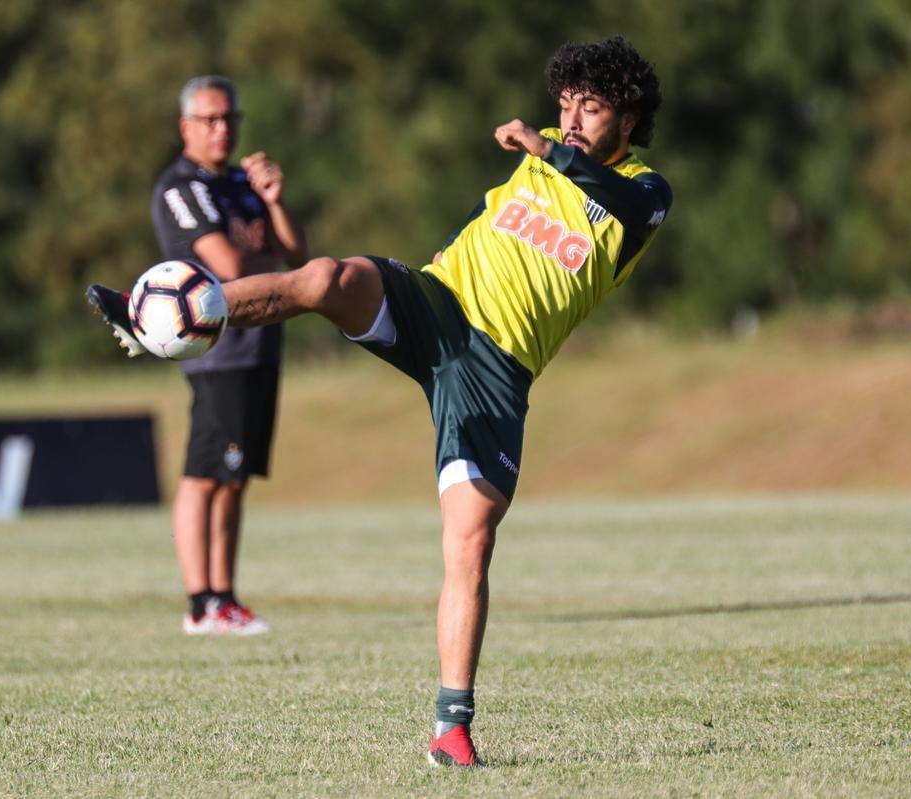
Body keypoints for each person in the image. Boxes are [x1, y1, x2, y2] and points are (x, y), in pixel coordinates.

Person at [88, 37, 670, 766]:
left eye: (591, 106)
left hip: (495, 369)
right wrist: (546, 147)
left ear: (631, 112)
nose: (571, 119)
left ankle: (451, 729)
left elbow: (611, 193)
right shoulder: (551, 144)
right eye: (565, 104)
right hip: (436, 301)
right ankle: (162, 321)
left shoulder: (645, 193)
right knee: (326, 277)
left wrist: (550, 152)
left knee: (471, 544)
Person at [92, 75, 306, 636]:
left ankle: (224, 598)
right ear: (185, 126)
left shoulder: (241, 181)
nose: (222, 129)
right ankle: (200, 601)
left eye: (230, 118)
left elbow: (297, 252)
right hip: (219, 351)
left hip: (262, 339)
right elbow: (230, 267)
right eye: (209, 119)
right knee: (204, 474)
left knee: (234, 477)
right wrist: (289, 279)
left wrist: (275, 201)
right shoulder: (180, 187)